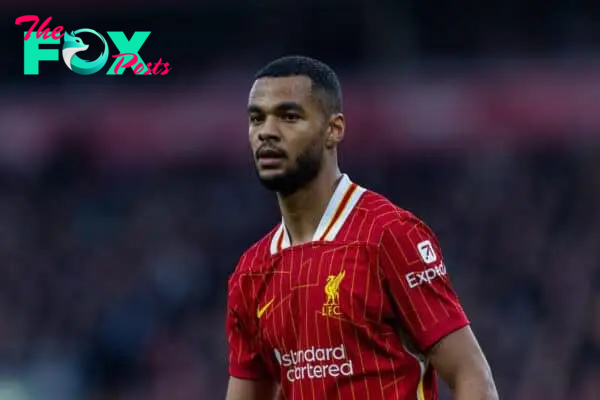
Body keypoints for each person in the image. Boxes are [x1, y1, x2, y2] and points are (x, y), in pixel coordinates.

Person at [225, 55, 498, 400]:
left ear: (334, 129)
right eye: (256, 118)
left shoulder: (389, 235)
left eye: (289, 116)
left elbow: (471, 377)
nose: (266, 131)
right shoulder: (251, 273)